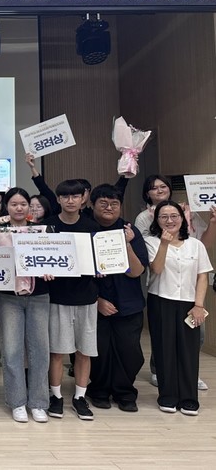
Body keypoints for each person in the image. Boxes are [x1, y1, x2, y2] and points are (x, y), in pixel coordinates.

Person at [134, 174, 215, 390]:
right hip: (161, 287)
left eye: (163, 186)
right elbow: (149, 256)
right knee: (163, 338)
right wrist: (163, 243)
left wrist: (213, 223)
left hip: (188, 288)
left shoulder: (188, 214)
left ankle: (189, 374)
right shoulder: (145, 221)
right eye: (154, 188)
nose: (159, 190)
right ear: (147, 193)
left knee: (195, 335)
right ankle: (161, 373)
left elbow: (203, 246)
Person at [145, 201, 213, 416]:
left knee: (189, 350)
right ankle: (167, 396)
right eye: (164, 216)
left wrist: (199, 305)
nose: (169, 220)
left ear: (183, 219)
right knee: (164, 349)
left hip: (189, 303)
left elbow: (202, 276)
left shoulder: (196, 245)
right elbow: (156, 269)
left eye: (174, 216)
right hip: (161, 300)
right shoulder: (151, 241)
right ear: (156, 220)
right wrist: (164, 244)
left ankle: (189, 398)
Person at [85, 184, 148, 412]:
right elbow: (78, 271)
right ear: (92, 205)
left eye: (114, 203)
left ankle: (125, 392)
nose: (109, 207)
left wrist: (128, 243)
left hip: (128, 303)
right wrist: (97, 300)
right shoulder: (84, 230)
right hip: (94, 303)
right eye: (103, 203)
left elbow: (137, 271)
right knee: (98, 351)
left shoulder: (130, 230)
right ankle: (99, 390)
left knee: (129, 351)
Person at [42, 180, 101, 421]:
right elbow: (39, 257)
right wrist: (43, 269)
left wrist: (101, 268)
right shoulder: (47, 227)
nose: (70, 201)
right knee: (57, 351)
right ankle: (56, 396)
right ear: (58, 199)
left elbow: (100, 259)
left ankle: (79, 397)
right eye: (65, 196)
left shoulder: (92, 227)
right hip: (57, 297)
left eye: (75, 196)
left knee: (84, 351)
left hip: (87, 297)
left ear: (82, 199)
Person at [0, 188, 52, 423]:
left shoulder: (43, 230)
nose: (19, 208)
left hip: (39, 295)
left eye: (23, 204)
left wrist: (51, 268)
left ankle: (38, 402)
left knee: (40, 350)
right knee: (12, 350)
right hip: (9, 296)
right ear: (6, 207)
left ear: (29, 206)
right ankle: (17, 401)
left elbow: (54, 258)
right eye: (14, 204)